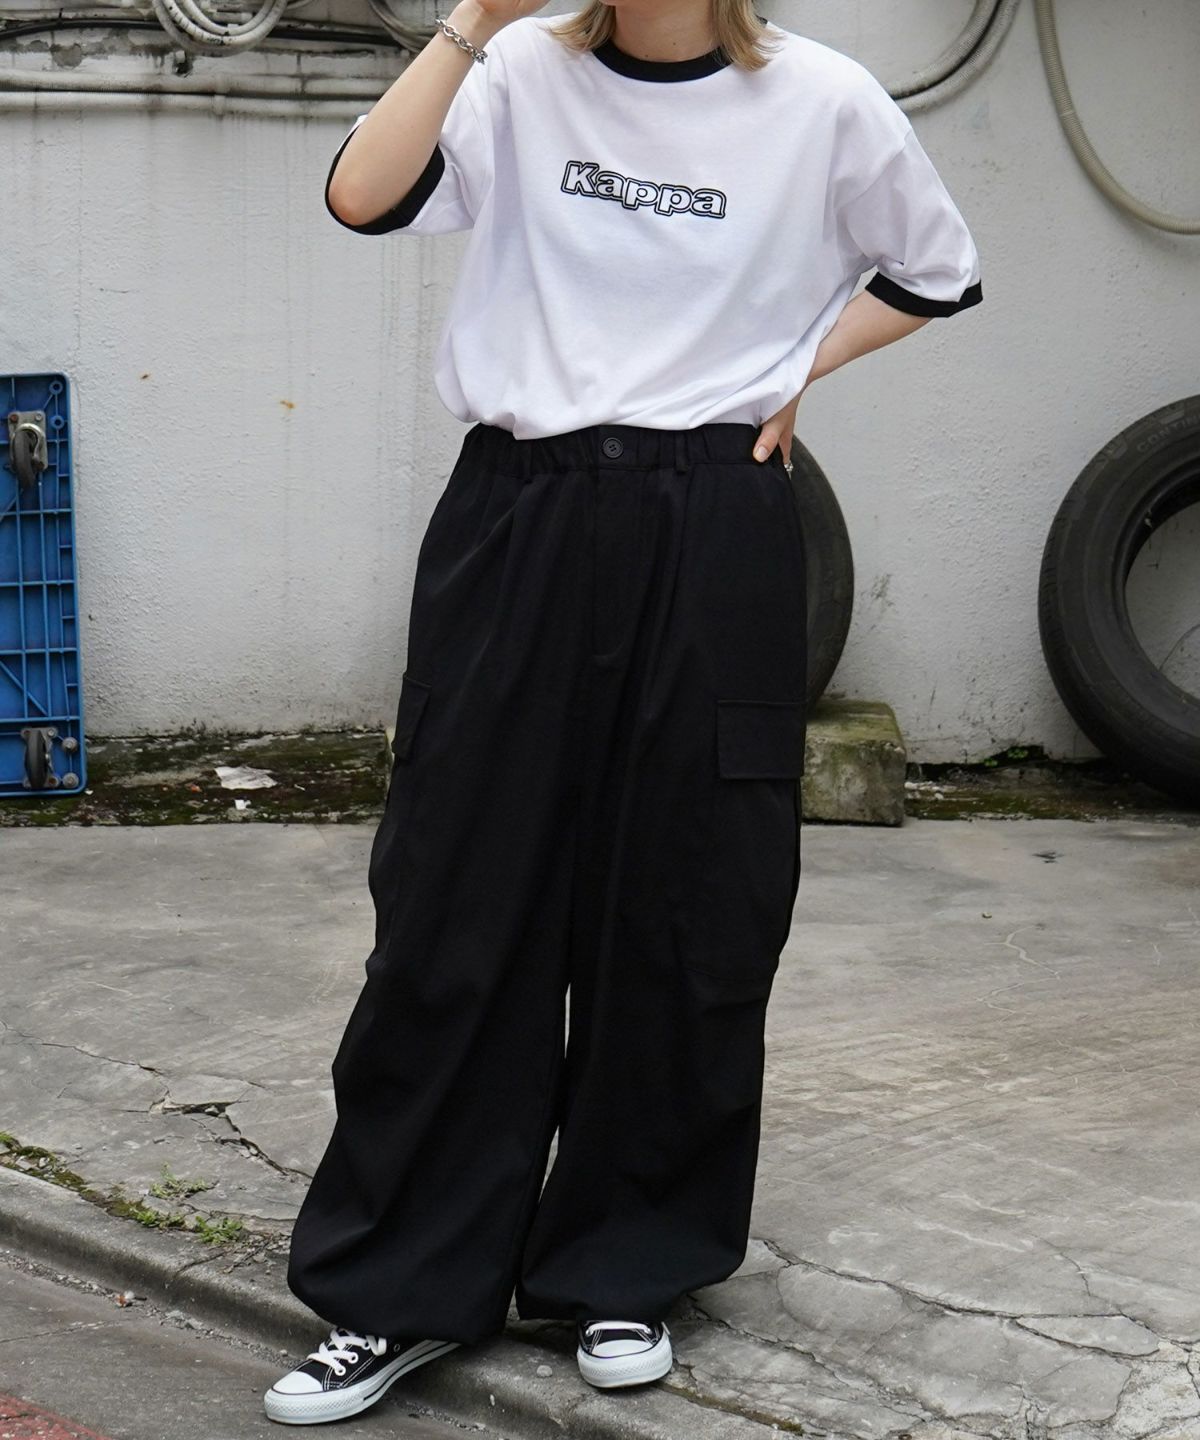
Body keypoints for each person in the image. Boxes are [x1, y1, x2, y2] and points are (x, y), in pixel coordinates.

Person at [265, 0, 982, 1424]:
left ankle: (624, 1265)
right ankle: (399, 1287)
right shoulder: (517, 73)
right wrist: (473, 20)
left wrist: (796, 369)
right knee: (455, 899)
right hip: (519, 515)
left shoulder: (823, 101)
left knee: (689, 904)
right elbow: (361, 197)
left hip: (714, 520)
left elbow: (936, 269)